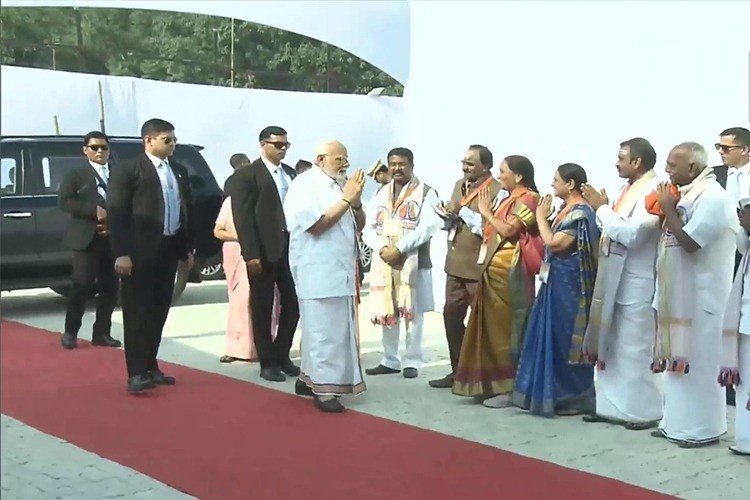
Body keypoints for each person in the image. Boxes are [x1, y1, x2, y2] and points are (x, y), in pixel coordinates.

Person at [649, 142, 738, 448]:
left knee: (699, 366)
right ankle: (674, 423)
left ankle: (701, 430)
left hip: (702, 299)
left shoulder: (713, 197)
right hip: (679, 296)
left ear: (692, 168)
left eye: (673, 165)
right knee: (677, 365)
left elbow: (689, 243)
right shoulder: (689, 193)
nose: (667, 171)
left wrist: (669, 208)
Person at [580, 138, 663, 430]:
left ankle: (642, 412)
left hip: (637, 281)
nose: (616, 162)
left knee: (634, 349)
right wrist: (603, 209)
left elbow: (631, 235)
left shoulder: (653, 191)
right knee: (612, 346)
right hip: (614, 278)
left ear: (637, 162)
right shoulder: (626, 189)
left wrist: (600, 209)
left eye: (621, 157)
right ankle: (610, 408)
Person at [109, 119, 194, 394]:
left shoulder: (177, 171)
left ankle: (149, 364)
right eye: (167, 140)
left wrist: (186, 249)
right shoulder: (129, 170)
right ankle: (135, 372)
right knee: (137, 313)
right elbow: (117, 213)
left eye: (174, 140)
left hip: (168, 250)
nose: (172, 144)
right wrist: (122, 252)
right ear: (149, 140)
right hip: (139, 253)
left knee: (159, 311)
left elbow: (184, 212)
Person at [284, 140, 367, 412]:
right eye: (338, 159)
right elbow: (316, 226)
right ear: (320, 159)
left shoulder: (341, 184)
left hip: (340, 269)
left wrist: (354, 203)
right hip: (317, 269)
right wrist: (346, 199)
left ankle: (308, 380)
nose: (345, 164)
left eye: (346, 159)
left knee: (328, 330)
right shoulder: (305, 185)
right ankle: (325, 389)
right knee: (323, 333)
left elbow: (358, 225)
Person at [453, 155, 542, 407]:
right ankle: (490, 383)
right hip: (493, 271)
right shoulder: (508, 199)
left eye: (503, 171)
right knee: (492, 331)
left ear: (519, 176)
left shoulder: (529, 199)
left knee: (508, 331)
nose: (499, 175)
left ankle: (512, 387)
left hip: (510, 273)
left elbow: (509, 231)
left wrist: (486, 213)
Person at [512, 163, 599, 416]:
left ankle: (575, 396)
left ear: (570, 184)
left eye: (556, 180)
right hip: (555, 282)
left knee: (566, 338)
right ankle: (554, 394)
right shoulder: (565, 210)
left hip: (569, 287)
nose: (552, 185)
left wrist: (539, 217)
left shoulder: (580, 212)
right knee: (551, 335)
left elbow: (555, 243)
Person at [224, 126, 300, 382]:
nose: (282, 149)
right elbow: (243, 218)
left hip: (291, 248)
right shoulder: (247, 176)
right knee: (263, 306)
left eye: (285, 145)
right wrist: (251, 253)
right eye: (277, 144)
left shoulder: (290, 174)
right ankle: (267, 361)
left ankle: (281, 354)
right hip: (263, 250)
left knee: (293, 304)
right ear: (263, 144)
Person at [363, 147, 441, 379]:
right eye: (393, 164)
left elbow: (428, 227)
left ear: (412, 165)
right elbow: (367, 228)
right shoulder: (380, 194)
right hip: (385, 260)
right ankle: (389, 359)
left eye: (402, 164)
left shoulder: (426, 192)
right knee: (388, 308)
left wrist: (399, 248)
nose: (397, 168)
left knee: (413, 312)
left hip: (413, 261)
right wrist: (382, 248)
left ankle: (413, 361)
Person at [429, 145, 503, 389]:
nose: (465, 167)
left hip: (478, 266)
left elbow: (489, 228)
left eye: (470, 163)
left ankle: (481, 377)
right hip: (455, 264)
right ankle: (457, 370)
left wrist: (462, 212)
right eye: (463, 162)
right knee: (451, 316)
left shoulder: (497, 190)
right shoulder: (460, 184)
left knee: (481, 324)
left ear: (486, 166)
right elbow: (456, 218)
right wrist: (448, 215)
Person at [58, 131, 121, 350]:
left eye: (104, 147)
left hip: (112, 239)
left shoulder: (118, 171)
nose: (100, 152)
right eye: (95, 147)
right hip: (86, 239)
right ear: (85, 150)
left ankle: (102, 333)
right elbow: (64, 201)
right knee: (81, 286)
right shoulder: (77, 173)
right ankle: (70, 332)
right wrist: (93, 210)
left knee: (110, 288)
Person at [215, 154, 280, 364]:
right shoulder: (229, 204)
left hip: (258, 252)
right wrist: (243, 236)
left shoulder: (260, 204)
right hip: (236, 253)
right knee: (240, 301)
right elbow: (218, 231)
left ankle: (263, 346)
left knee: (265, 301)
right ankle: (237, 347)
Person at [715, 127, 750, 407]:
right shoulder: (717, 176)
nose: (721, 153)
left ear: (745, 150)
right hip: (720, 253)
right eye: (719, 147)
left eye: (727, 148)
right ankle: (727, 378)